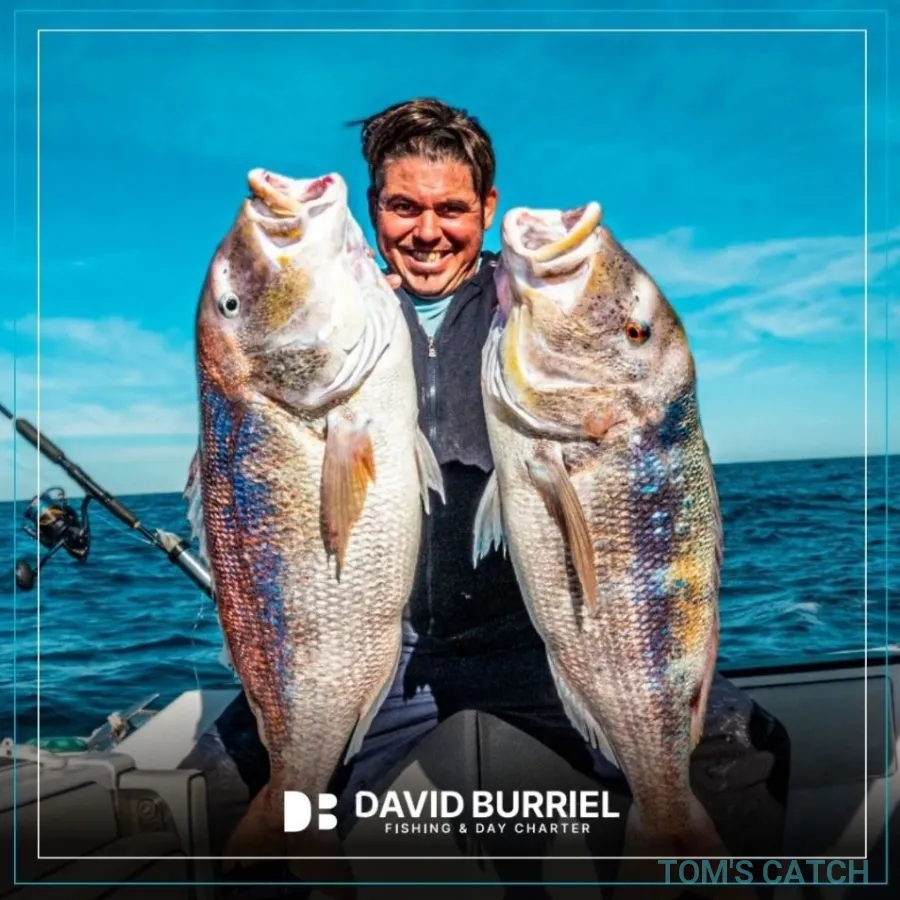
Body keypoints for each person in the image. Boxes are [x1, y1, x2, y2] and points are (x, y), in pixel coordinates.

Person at [320, 97, 792, 889]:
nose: (428, 232)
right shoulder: (345, 315)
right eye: (404, 207)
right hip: (387, 648)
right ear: (374, 209)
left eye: (451, 209)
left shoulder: (530, 300)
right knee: (233, 794)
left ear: (487, 210)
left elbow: (629, 368)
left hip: (540, 642)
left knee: (746, 751)